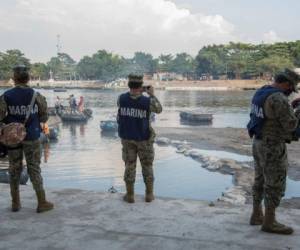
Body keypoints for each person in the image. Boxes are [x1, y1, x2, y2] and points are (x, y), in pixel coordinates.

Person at [247, 68, 300, 234]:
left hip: (258, 142)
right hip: (273, 146)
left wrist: (291, 106)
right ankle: (269, 222)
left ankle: (257, 214)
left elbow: (267, 115)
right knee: (275, 183)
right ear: (285, 83)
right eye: (291, 88)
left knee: (260, 179)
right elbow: (291, 125)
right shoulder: (278, 98)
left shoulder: (261, 92)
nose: (291, 92)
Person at [0, 65, 54, 213]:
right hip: (32, 136)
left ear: (15, 78)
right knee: (34, 168)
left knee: (14, 169)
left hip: (13, 138)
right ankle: (42, 202)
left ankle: (15, 203)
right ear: (28, 78)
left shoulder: (6, 96)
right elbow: (44, 116)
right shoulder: (36, 95)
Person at [117, 74, 162, 203]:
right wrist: (151, 94)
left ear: (129, 85)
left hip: (127, 138)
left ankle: (130, 195)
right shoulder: (147, 101)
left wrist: (138, 90)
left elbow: (127, 100)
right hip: (144, 139)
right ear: (140, 86)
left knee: (129, 166)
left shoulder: (121, 99)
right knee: (147, 166)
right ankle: (149, 195)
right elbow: (159, 109)